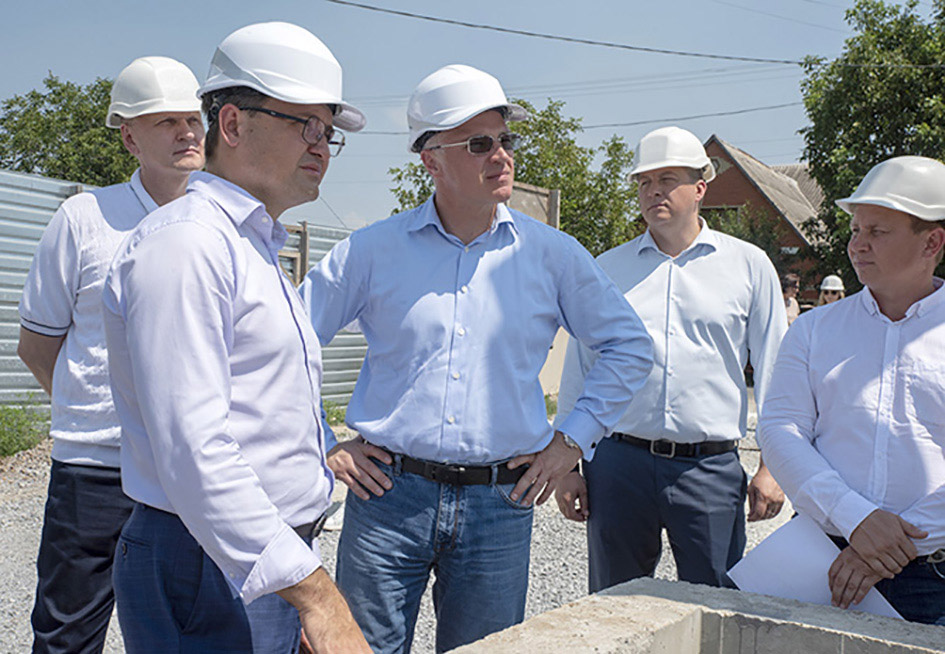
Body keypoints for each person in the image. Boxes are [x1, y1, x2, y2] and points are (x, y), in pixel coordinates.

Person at [302, 64, 653, 653]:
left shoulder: (552, 256)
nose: (501, 156)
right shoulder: (372, 250)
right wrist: (323, 441)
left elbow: (630, 346)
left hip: (500, 504)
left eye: (505, 140)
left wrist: (571, 441)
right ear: (431, 160)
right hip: (386, 496)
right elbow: (285, 340)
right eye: (479, 144)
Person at [102, 23, 370, 652]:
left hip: (253, 556)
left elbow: (265, 405)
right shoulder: (187, 244)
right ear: (232, 123)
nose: (322, 147)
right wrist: (317, 596)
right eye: (306, 125)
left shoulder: (250, 244)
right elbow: (194, 450)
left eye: (328, 132)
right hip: (209, 559)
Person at [17, 56, 204, 654]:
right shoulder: (85, 219)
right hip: (96, 471)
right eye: (166, 121)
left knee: (190, 634)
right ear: (129, 137)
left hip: (189, 471)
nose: (186, 132)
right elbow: (37, 345)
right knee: (67, 635)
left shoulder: (221, 224)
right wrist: (96, 413)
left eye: (192, 119)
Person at [555, 126, 787, 593]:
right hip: (618, 464)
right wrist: (567, 463)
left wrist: (773, 465)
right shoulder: (607, 269)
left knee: (714, 606)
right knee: (614, 605)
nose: (653, 191)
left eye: (667, 179)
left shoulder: (748, 265)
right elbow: (582, 366)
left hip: (708, 470)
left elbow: (775, 369)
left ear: (700, 188)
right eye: (644, 182)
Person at [757, 155, 945, 626]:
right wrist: (855, 518)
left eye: (877, 232)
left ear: (932, 242)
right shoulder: (814, 329)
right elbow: (780, 430)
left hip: (933, 579)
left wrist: (888, 546)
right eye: (856, 229)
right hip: (819, 561)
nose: (857, 245)